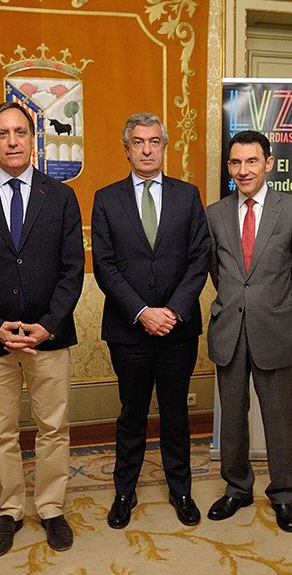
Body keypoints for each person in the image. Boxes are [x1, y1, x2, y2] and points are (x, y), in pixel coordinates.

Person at [0, 101, 85, 555]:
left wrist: (47, 325)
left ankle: (50, 507)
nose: (12, 141)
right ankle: (8, 509)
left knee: (53, 428)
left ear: (33, 139)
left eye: (20, 132)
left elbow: (72, 270)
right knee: (0, 431)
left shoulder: (61, 196)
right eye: (3, 133)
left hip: (50, 336)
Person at [91, 112, 210, 529]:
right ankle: (125, 491)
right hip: (129, 329)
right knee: (132, 414)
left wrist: (173, 311)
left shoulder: (187, 195)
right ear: (126, 149)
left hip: (179, 329)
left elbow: (199, 259)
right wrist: (142, 312)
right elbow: (104, 266)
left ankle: (181, 490)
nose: (146, 149)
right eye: (138, 142)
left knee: (176, 414)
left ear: (164, 147)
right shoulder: (106, 199)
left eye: (154, 141)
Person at [204, 129, 292, 533]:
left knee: (277, 417)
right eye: (235, 162)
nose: (243, 170)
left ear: (268, 163)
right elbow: (219, 274)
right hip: (230, 330)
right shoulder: (214, 214)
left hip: (277, 329)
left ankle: (283, 493)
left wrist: (282, 313)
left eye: (252, 161)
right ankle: (237, 488)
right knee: (232, 418)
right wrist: (242, 304)